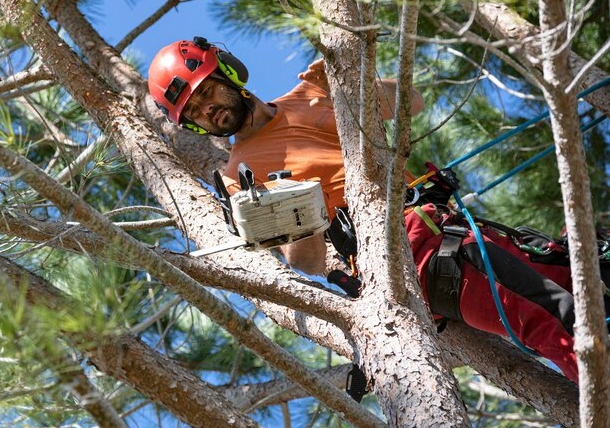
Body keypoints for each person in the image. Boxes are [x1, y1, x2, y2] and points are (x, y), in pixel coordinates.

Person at [148, 37, 608, 389]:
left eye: (209, 91)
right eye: (198, 110)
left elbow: (412, 103)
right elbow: (304, 263)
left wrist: (350, 82)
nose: (211, 108)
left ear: (229, 73)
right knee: (553, 316)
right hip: (412, 253)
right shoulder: (238, 175)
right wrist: (301, 216)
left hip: (451, 222)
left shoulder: (310, 89)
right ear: (193, 124)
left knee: (590, 282)